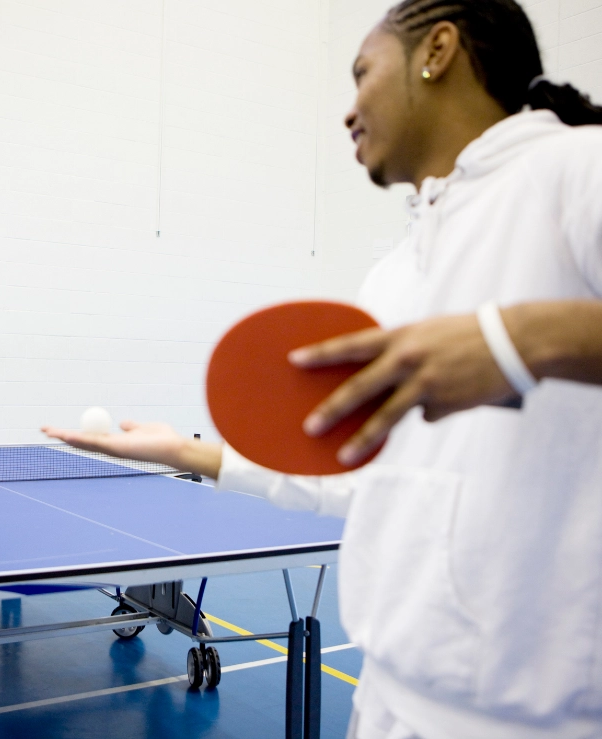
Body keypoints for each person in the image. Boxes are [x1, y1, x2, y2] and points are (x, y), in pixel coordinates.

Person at [44, 1, 602, 737]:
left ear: (438, 51)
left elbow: (510, 343)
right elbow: (363, 477)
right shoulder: (396, 273)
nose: (347, 112)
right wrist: (190, 453)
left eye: (362, 72)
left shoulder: (577, 168)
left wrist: (516, 340)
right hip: (390, 699)